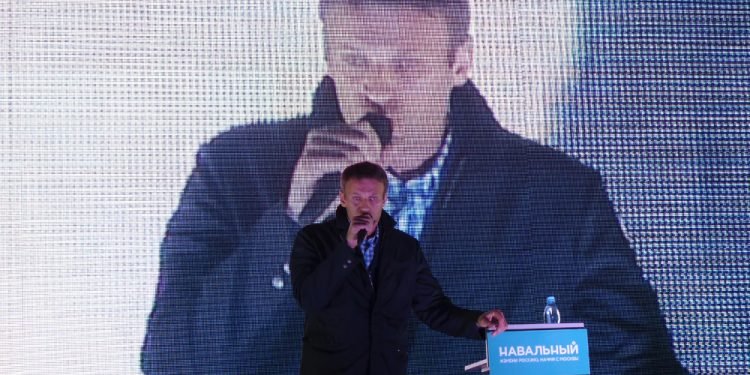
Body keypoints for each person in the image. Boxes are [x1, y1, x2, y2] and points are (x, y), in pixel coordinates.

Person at [142, 0, 687, 373]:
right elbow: (171, 362)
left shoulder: (559, 197)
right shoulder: (236, 168)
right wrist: (292, 229)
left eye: (405, 65)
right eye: (355, 62)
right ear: (329, 56)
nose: (378, 89)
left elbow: (638, 364)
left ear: (460, 62)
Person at [290, 161, 507, 374]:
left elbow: (432, 307)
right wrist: (347, 248)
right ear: (343, 199)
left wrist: (476, 322)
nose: (365, 207)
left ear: (385, 199)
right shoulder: (313, 239)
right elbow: (309, 298)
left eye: (373, 198)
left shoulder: (404, 248)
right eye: (357, 198)